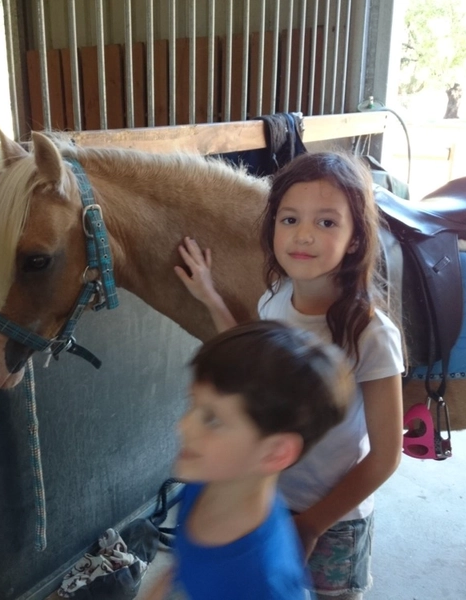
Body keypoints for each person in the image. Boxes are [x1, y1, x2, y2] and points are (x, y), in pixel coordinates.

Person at [174, 152, 404, 600]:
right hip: (267, 494)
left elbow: (385, 456)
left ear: (356, 238)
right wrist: (209, 295)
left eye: (326, 223)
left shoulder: (372, 335)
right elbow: (260, 363)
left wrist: (315, 523)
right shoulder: (276, 296)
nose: (303, 235)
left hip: (335, 517)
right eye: (290, 219)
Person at [144, 320, 354, 600]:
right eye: (192, 402)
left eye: (212, 419)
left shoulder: (265, 584)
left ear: (275, 452)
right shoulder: (204, 484)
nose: (183, 425)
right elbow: (184, 568)